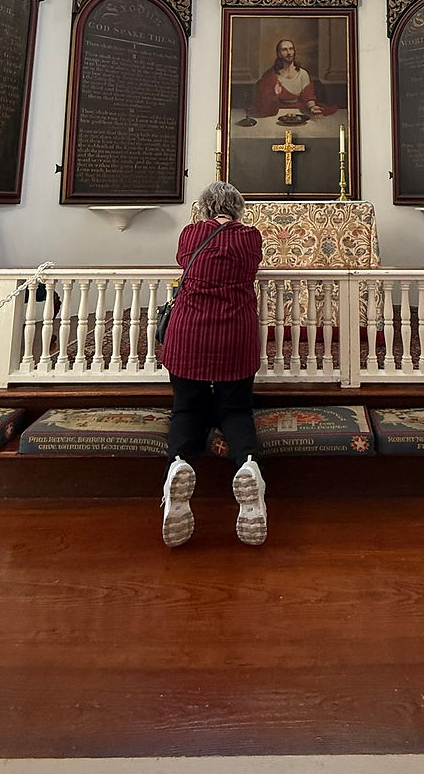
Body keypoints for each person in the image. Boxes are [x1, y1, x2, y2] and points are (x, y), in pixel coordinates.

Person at [158, 181, 267, 548]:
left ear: (204, 208)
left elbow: (183, 262)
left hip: (189, 335)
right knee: (235, 410)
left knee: (186, 409)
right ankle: (248, 465)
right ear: (238, 209)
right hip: (235, 335)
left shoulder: (190, 235)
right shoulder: (250, 238)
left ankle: (178, 465)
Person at [250, 38, 337, 119]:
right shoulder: (271, 75)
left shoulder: (303, 74)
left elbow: (308, 96)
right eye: (284, 50)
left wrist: (312, 107)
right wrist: (274, 95)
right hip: (277, 113)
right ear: (279, 54)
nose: (289, 53)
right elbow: (263, 104)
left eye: (291, 49)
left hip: (300, 111)